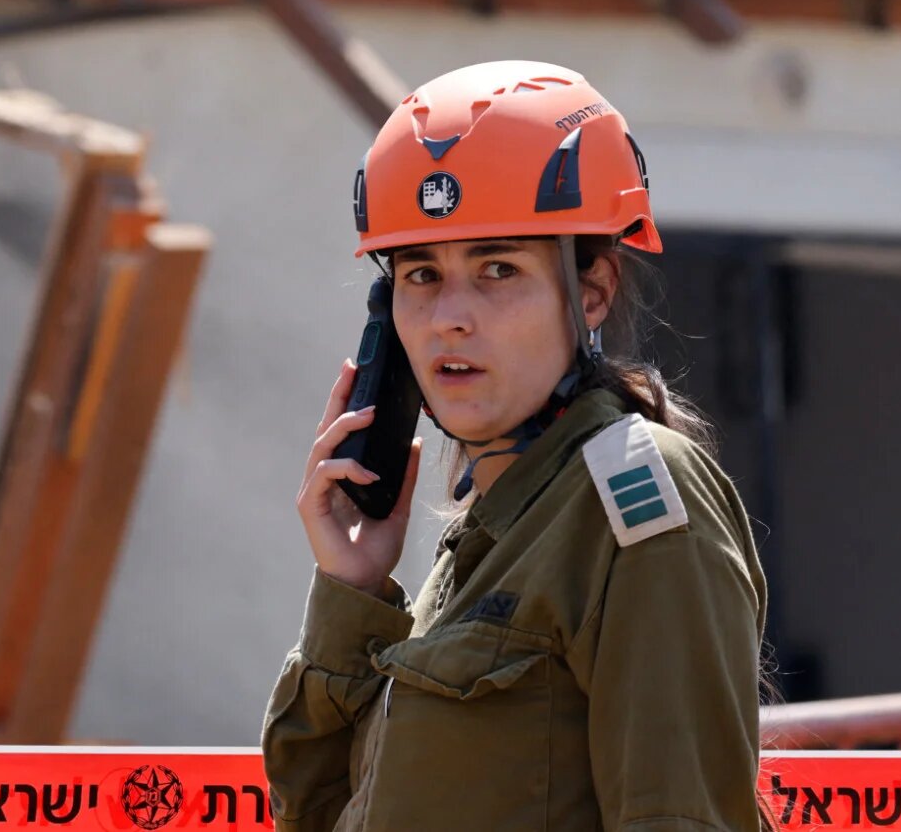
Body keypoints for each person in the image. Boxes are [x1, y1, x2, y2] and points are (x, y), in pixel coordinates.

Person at [261, 61, 769, 832]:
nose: (448, 317)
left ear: (592, 292)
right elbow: (315, 816)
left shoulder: (635, 503)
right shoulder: (481, 541)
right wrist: (352, 594)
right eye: (420, 274)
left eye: (497, 268)